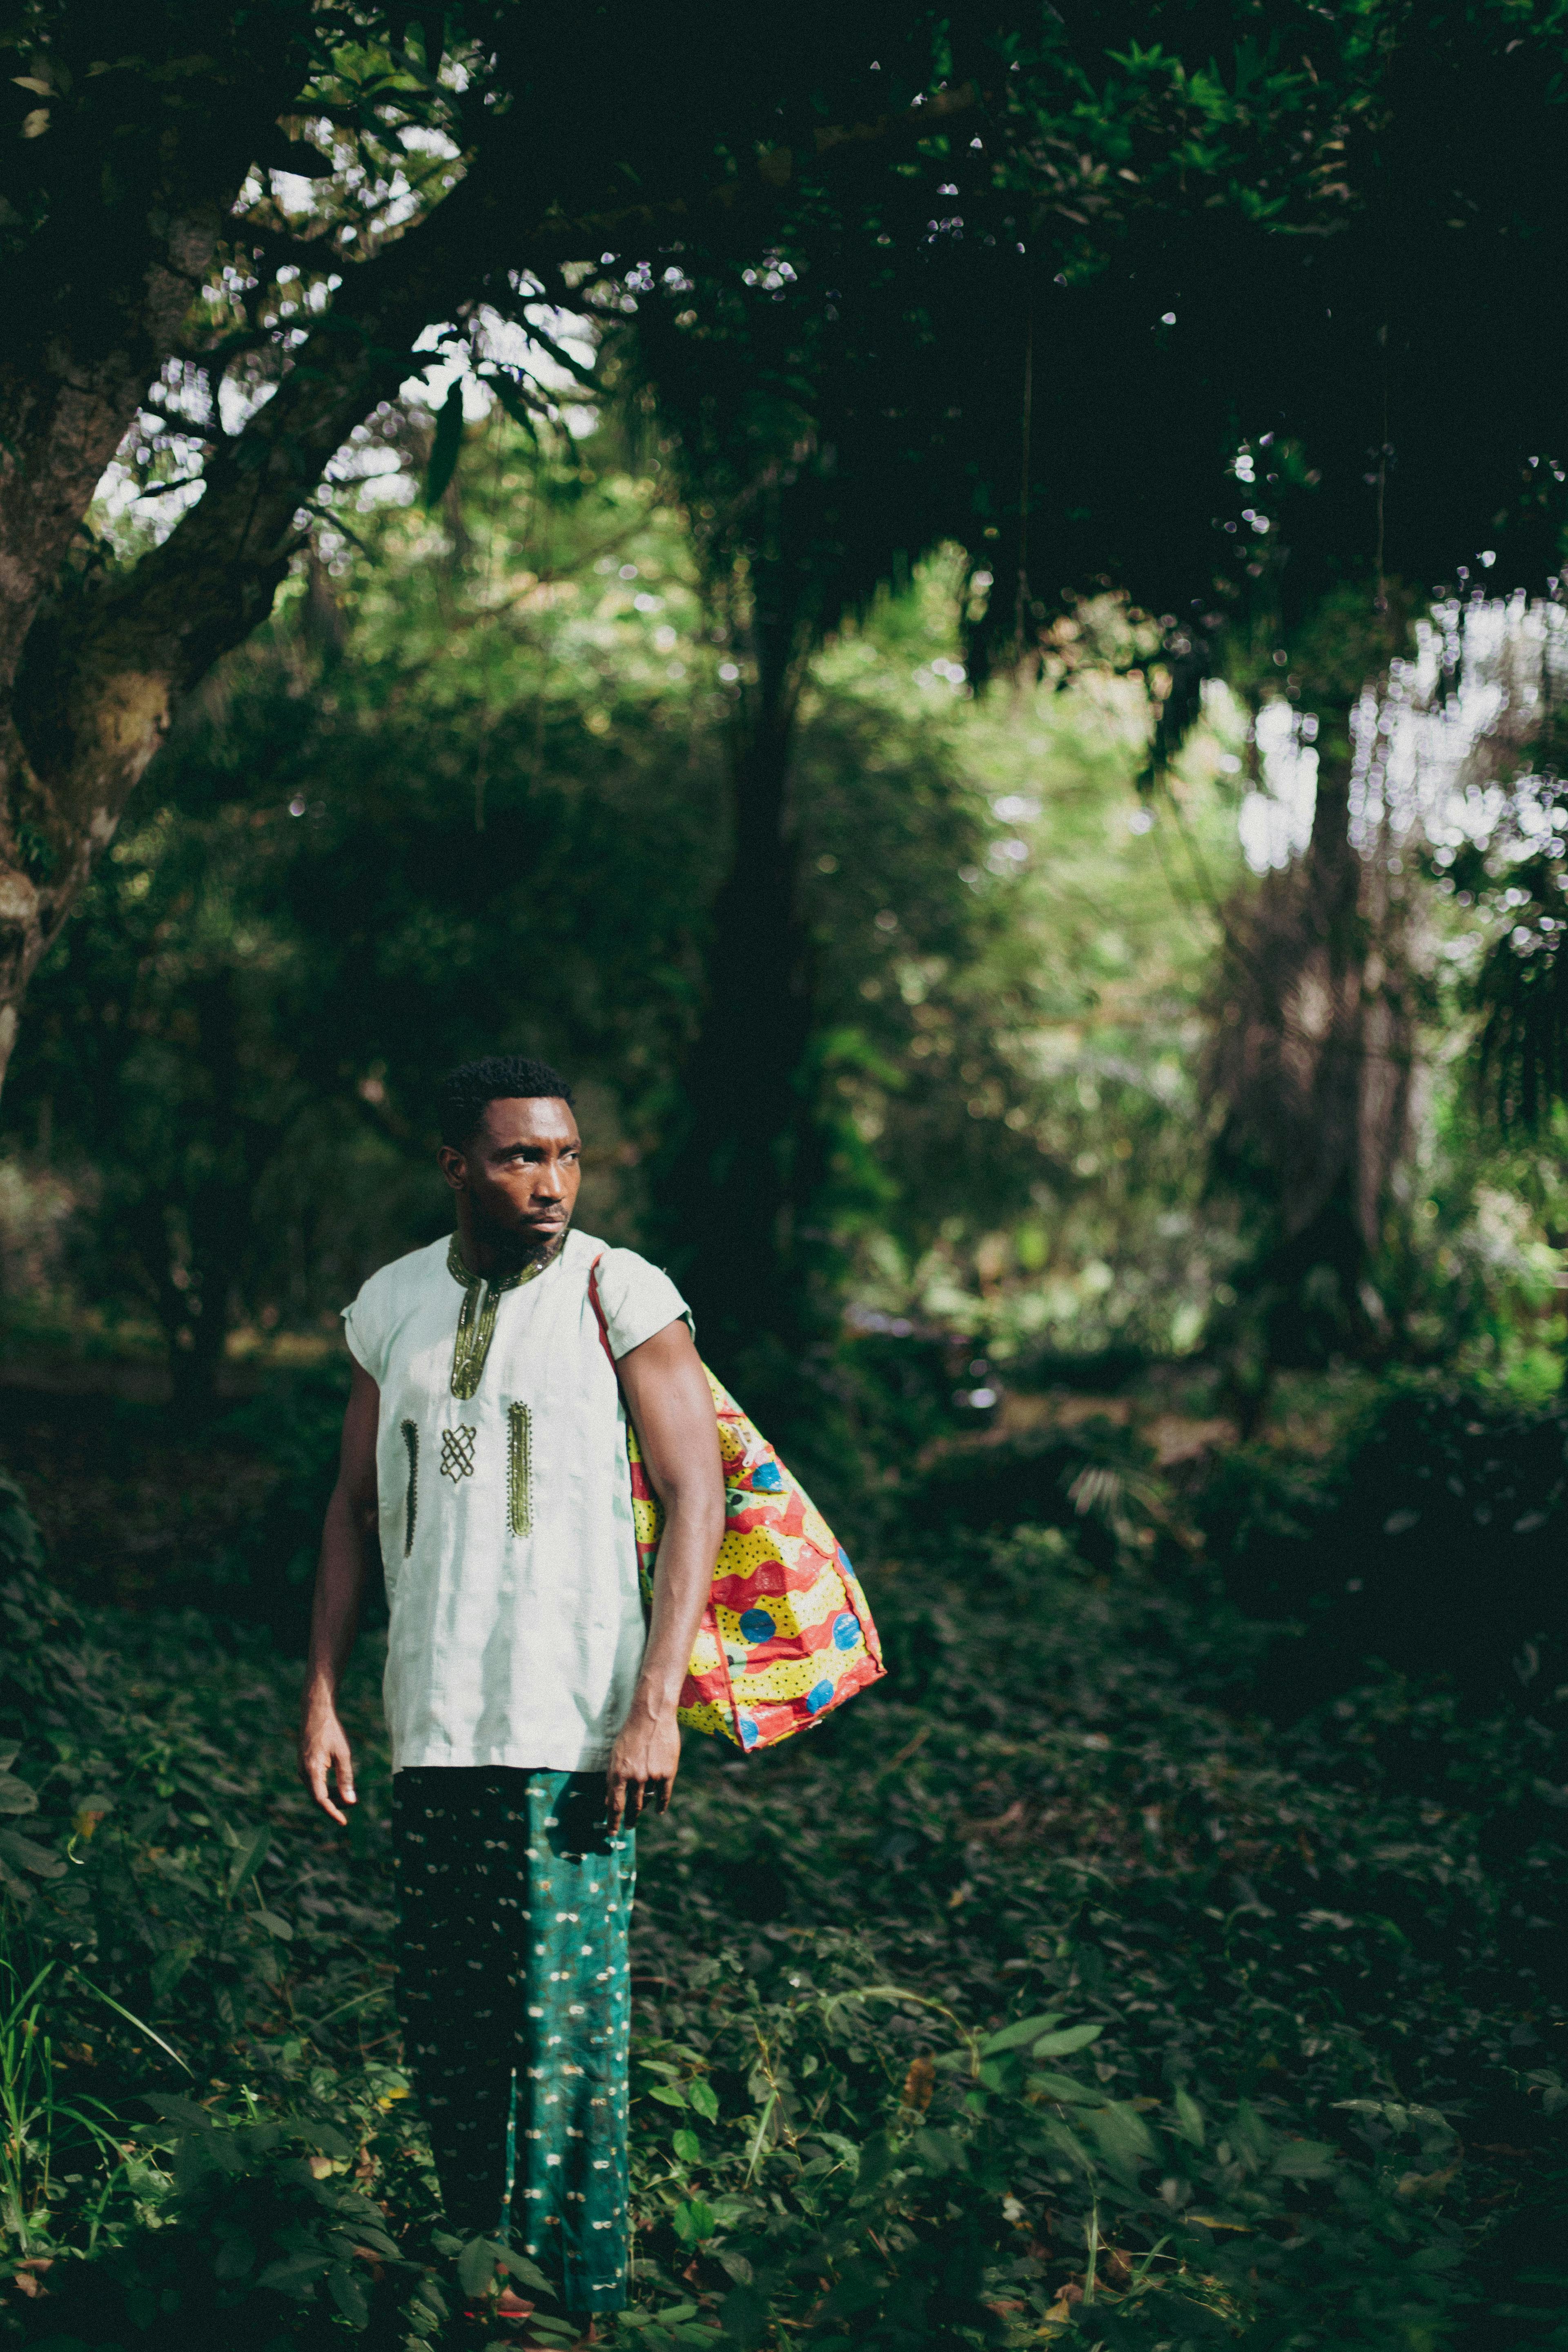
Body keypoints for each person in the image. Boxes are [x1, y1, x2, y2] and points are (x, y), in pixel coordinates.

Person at [298, 1055, 724, 2336]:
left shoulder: (619, 1290)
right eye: (520, 1156)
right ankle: (477, 2283)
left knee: (563, 2046)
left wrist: (653, 1705)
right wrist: (322, 1693)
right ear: (455, 1167)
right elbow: (355, 1507)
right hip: (431, 1728)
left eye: (567, 1156)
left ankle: (565, 2310)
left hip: (573, 1731)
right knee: (450, 2030)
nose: (551, 1182)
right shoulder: (391, 1304)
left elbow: (696, 1494)